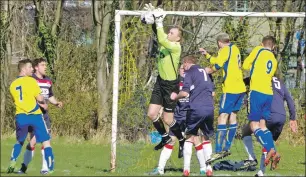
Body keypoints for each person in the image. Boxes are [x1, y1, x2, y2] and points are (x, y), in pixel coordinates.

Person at [143, 4, 185, 157]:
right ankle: (166, 137)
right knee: (152, 114)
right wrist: (151, 18)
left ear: (178, 38)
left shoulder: (175, 47)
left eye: (172, 32)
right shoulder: (165, 42)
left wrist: (159, 22)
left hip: (171, 85)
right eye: (169, 31)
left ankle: (181, 139)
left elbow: (161, 37)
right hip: (160, 82)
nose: (169, 33)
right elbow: (158, 32)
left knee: (167, 119)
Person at [199, 33, 246, 163]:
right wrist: (208, 55)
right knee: (232, 116)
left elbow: (217, 66)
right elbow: (221, 61)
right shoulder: (234, 48)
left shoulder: (224, 50)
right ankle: (227, 147)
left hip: (230, 88)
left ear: (219, 42)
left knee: (222, 117)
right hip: (240, 88)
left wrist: (208, 70)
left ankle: (219, 150)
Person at [241, 76, 297, 176]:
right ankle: (261, 172)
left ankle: (252, 158)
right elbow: (289, 100)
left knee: (246, 130)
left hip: (270, 113)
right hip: (281, 117)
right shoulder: (280, 82)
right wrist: (292, 118)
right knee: (268, 142)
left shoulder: (261, 76)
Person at [7, 59, 55, 174]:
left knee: (20, 141)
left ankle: (13, 160)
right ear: (23, 69)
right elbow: (39, 98)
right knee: (46, 141)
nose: (32, 69)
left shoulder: (12, 85)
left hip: (21, 116)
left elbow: (15, 100)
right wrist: (43, 103)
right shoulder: (31, 81)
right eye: (30, 67)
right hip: (35, 115)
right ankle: (50, 167)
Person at [171, 56, 215, 176]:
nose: (183, 69)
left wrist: (176, 97)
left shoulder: (190, 72)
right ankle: (209, 168)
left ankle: (186, 169)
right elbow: (213, 93)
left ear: (186, 63)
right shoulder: (205, 72)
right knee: (206, 138)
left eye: (183, 65)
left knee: (189, 137)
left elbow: (185, 93)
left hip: (195, 108)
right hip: (209, 109)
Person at [18, 58, 63, 174]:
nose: (45, 67)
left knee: (45, 140)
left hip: (44, 116)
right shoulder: (31, 79)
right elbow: (29, 95)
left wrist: (56, 102)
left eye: (45, 65)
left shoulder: (48, 80)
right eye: (43, 65)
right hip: (32, 115)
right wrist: (40, 104)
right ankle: (23, 167)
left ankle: (44, 168)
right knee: (32, 142)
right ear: (36, 67)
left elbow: (50, 95)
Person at [242, 35, 280, 170]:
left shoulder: (258, 50)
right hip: (269, 94)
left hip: (256, 92)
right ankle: (274, 151)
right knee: (263, 126)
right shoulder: (274, 59)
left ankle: (270, 149)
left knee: (253, 125)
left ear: (261, 43)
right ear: (273, 47)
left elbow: (245, 65)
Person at [149, 64, 188, 175]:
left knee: (193, 140)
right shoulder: (175, 82)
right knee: (171, 140)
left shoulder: (192, 81)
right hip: (177, 116)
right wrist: (161, 108)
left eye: (186, 68)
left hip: (189, 116)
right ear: (178, 70)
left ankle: (197, 169)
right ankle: (160, 168)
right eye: (182, 68)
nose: (184, 70)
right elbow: (166, 97)